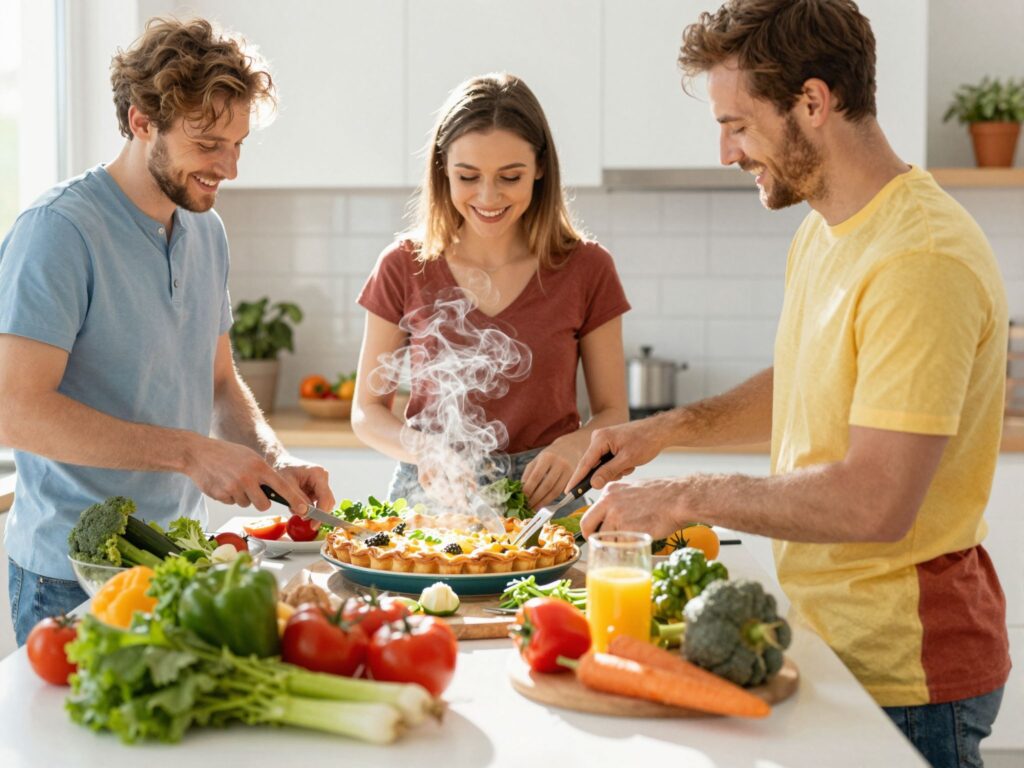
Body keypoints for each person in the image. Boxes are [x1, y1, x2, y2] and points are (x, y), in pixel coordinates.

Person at [569, 2, 1009, 765]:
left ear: (813, 102)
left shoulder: (921, 259)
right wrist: (664, 430)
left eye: (738, 124)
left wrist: (684, 495)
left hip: (907, 674)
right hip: (830, 641)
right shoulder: (827, 229)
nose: (725, 152)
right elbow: (809, 378)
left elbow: (877, 499)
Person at [0, 18, 332, 645]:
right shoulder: (58, 232)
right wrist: (189, 451)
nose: (228, 167)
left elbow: (218, 383)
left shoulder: (205, 230)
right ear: (141, 121)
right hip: (73, 574)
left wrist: (276, 459)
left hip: (178, 558)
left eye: (238, 144)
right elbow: (12, 411)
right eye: (209, 144)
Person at [353, 73, 629, 514]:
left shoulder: (588, 268)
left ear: (540, 168)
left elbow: (614, 412)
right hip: (433, 497)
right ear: (443, 168)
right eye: (468, 176)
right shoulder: (403, 264)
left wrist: (576, 446)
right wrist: (427, 451)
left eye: (509, 177)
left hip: (548, 498)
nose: (488, 196)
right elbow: (367, 411)